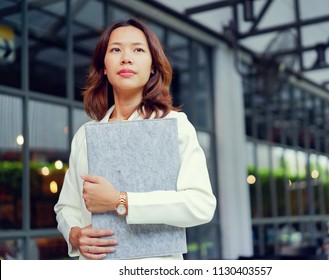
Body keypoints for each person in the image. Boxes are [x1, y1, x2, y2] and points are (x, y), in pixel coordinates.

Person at [54, 18, 217, 260]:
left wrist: (120, 201)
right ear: (104, 67)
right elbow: (66, 206)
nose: (126, 57)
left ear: (153, 66)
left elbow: (201, 204)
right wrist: (74, 233)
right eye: (116, 49)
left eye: (138, 49)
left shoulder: (173, 125)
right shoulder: (85, 135)